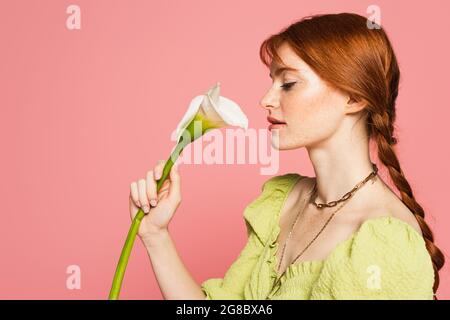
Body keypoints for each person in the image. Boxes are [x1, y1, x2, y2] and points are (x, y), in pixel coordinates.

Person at [128, 12, 444, 300]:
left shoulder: (385, 244)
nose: (266, 100)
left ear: (353, 97)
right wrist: (156, 236)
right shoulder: (282, 201)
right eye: (272, 81)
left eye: (288, 83)